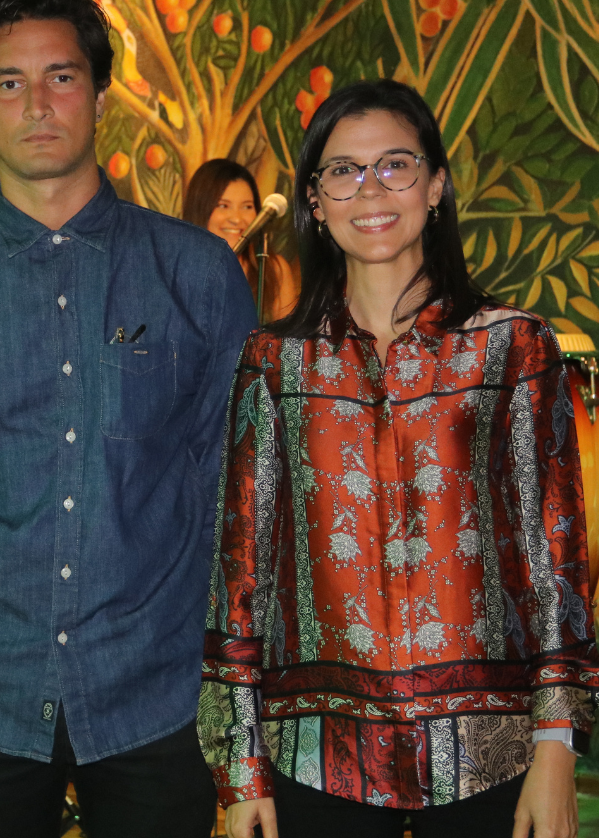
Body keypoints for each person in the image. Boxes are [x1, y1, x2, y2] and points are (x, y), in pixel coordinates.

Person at [0, 0, 257, 838]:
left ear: (101, 95)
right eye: (9, 81)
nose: (37, 103)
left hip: (156, 682)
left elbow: (222, 468)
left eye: (62, 76)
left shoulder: (197, 275)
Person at [198, 78, 597, 838]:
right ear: (314, 200)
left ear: (436, 184)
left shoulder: (511, 347)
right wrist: (238, 767)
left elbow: (557, 565)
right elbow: (239, 574)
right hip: (314, 755)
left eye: (395, 165)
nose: (370, 189)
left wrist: (556, 748)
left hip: (494, 754)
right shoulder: (273, 365)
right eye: (343, 170)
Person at [182, 158, 299, 323]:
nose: (237, 219)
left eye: (247, 207)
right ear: (200, 209)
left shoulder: (271, 269)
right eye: (223, 206)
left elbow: (289, 342)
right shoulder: (177, 269)